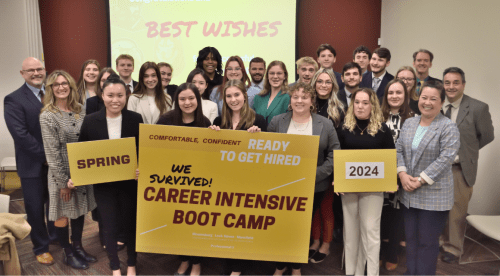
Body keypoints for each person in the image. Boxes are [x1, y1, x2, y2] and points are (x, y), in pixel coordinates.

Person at [268, 82, 340, 275]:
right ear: (290, 101)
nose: (299, 101)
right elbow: (266, 151)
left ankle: (296, 267)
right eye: (295, 97)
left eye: (304, 97)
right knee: (282, 226)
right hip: (282, 185)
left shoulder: (324, 124)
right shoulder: (277, 121)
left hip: (313, 186)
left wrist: (315, 174)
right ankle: (280, 265)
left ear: (312, 101)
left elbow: (335, 154)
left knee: (300, 228)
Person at [78, 75, 143, 276]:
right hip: (104, 186)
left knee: (131, 225)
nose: (115, 100)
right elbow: (82, 153)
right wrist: (77, 176)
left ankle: (131, 264)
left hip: (130, 184)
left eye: (120, 95)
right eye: (110, 95)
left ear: (126, 96)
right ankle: (115, 266)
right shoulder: (90, 121)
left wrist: (142, 167)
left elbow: (143, 151)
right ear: (102, 96)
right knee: (108, 227)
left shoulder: (135, 119)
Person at [396, 80, 460, 275]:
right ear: (418, 99)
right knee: (411, 240)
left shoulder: (448, 127)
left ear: (441, 102)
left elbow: (445, 159)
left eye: (433, 99)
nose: (427, 102)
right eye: (424, 97)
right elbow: (398, 149)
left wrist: (420, 179)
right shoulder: (409, 122)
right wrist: (402, 173)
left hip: (434, 196)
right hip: (408, 192)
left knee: (427, 243)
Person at [40, 70, 97, 270]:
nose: (61, 87)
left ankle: (78, 246)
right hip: (61, 172)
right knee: (63, 214)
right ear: (51, 89)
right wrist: (64, 182)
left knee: (80, 211)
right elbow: (52, 153)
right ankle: (67, 251)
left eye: (65, 83)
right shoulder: (48, 115)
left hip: (81, 169)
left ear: (71, 86)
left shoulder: (81, 110)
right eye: (56, 84)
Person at [4, 57, 57, 265]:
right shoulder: (13, 99)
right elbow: (21, 135)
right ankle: (40, 247)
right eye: (31, 70)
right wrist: (46, 157)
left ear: (45, 70)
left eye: (40, 69)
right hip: (32, 165)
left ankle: (55, 237)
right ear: (22, 74)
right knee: (35, 209)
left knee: (55, 204)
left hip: (54, 165)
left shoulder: (54, 94)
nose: (36, 73)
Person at [209, 79, 265, 276]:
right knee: (226, 225)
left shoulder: (258, 121)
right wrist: (210, 138)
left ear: (245, 96)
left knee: (243, 225)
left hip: (248, 182)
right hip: (223, 182)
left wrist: (260, 137)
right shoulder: (218, 122)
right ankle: (230, 263)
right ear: (224, 99)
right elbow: (211, 157)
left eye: (237, 95)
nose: (233, 99)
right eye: (229, 96)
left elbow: (266, 158)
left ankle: (238, 268)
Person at [337, 88, 395, 276]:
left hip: (373, 190)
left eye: (365, 102)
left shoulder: (383, 129)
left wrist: (391, 181)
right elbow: (336, 156)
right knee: (351, 232)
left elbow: (390, 159)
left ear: (373, 106)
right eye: (357, 102)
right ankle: (352, 272)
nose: (360, 106)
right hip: (348, 188)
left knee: (370, 232)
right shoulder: (344, 128)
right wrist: (336, 180)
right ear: (352, 104)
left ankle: (371, 273)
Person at [440, 67, 495, 264]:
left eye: (456, 82)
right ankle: (440, 240)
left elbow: (487, 136)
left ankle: (453, 248)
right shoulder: (437, 104)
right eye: (447, 82)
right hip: (437, 168)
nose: (451, 86)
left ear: (463, 84)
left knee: (457, 210)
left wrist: (466, 152)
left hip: (459, 168)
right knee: (439, 207)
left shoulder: (478, 107)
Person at [157, 83, 211, 276]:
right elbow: (155, 150)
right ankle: (184, 259)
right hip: (173, 182)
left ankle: (196, 263)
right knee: (178, 224)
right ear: (176, 101)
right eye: (182, 99)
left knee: (195, 224)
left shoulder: (204, 122)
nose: (187, 103)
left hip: (198, 184)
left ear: (198, 100)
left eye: (191, 98)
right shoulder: (165, 120)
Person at [379, 79, 414, 271]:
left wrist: (401, 174)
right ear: (385, 96)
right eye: (390, 93)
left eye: (398, 93)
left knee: (395, 215)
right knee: (379, 214)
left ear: (405, 95)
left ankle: (392, 252)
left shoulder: (414, 118)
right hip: (377, 174)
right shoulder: (376, 116)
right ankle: (377, 252)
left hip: (401, 174)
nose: (394, 96)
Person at [308, 71, 343, 263]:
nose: (323, 85)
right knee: (312, 208)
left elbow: (340, 144)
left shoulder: (339, 109)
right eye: (319, 81)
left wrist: (335, 172)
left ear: (333, 85)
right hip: (308, 167)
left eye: (327, 82)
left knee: (326, 208)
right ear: (314, 83)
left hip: (329, 167)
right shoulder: (307, 105)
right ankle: (314, 242)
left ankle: (326, 245)